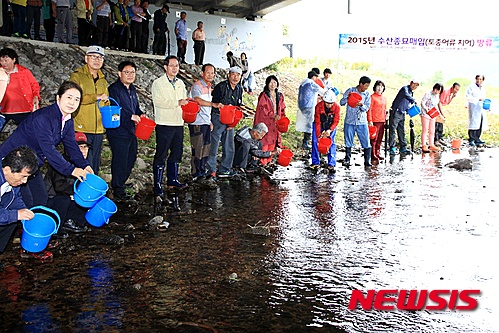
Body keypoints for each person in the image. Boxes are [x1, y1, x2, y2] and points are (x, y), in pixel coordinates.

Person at [0, 81, 93, 209]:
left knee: (40, 199)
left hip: (31, 163)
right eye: (69, 97)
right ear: (58, 98)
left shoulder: (67, 120)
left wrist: (85, 165)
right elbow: (49, 150)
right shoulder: (44, 118)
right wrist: (72, 170)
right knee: (21, 201)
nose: (72, 102)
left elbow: (71, 145)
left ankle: (29, 228)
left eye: (77, 99)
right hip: (12, 163)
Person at [151, 55, 188, 201]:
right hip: (164, 122)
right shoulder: (158, 83)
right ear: (165, 67)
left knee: (177, 153)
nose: (175, 68)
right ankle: (157, 184)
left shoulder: (180, 83)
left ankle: (173, 179)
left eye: (177, 66)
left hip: (178, 122)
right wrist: (177, 102)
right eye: (172, 65)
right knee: (161, 153)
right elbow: (159, 102)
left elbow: (185, 101)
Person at [0, 147, 47, 259]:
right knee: (12, 217)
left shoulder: (12, 180)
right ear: (7, 169)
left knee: (12, 220)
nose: (25, 181)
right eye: (23, 176)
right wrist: (16, 215)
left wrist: (24, 211)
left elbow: (15, 197)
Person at [108, 61, 145, 201]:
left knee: (131, 158)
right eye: (126, 72)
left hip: (131, 130)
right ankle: (117, 189)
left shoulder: (132, 89)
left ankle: (121, 183)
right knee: (120, 160)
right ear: (119, 73)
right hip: (118, 131)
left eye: (132, 72)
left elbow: (135, 107)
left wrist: (140, 114)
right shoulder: (114, 89)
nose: (130, 75)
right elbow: (114, 111)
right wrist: (130, 116)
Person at [69, 45, 109, 174]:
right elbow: (75, 98)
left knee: (95, 162)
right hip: (82, 127)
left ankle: (94, 190)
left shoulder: (103, 79)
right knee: (83, 162)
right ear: (86, 59)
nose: (97, 60)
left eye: (100, 57)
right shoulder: (77, 76)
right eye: (93, 57)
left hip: (98, 128)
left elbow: (106, 102)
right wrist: (95, 97)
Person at [45, 132, 91, 234]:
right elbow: (58, 186)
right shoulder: (60, 163)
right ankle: (57, 226)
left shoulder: (84, 165)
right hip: (52, 199)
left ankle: (74, 221)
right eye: (79, 147)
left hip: (69, 197)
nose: (83, 151)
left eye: (85, 147)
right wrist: (75, 193)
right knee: (66, 200)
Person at [206, 66, 243, 179]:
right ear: (228, 75)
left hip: (230, 120)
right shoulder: (221, 87)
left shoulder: (239, 89)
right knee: (214, 144)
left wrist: (233, 123)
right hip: (218, 117)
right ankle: (211, 170)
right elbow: (213, 103)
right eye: (233, 74)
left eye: (238, 75)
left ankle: (225, 169)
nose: (235, 77)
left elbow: (238, 105)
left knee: (229, 146)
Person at [188, 63, 221, 181]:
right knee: (198, 147)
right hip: (197, 122)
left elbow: (207, 107)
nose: (210, 75)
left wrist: (210, 121)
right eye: (208, 72)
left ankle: (202, 170)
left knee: (206, 147)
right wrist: (213, 104)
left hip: (206, 122)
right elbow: (197, 100)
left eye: (212, 73)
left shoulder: (208, 87)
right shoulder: (197, 86)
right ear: (202, 73)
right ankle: (196, 173)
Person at [0, 47, 40, 129]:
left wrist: (36, 96)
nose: (3, 63)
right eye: (1, 60)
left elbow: (34, 85)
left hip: (23, 108)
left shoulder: (24, 72)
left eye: (6, 60)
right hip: (4, 108)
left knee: (29, 130)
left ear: (14, 60)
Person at [339, 76, 372, 167]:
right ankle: (347, 159)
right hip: (350, 120)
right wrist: (348, 98)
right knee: (348, 140)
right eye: (365, 86)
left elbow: (367, 108)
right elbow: (341, 103)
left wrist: (362, 105)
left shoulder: (367, 94)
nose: (366, 88)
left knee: (366, 140)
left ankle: (367, 161)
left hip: (362, 121)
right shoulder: (351, 90)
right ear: (361, 84)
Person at [254, 75, 286, 165]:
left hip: (275, 122)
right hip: (265, 121)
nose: (273, 85)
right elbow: (262, 109)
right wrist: (272, 115)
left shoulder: (279, 96)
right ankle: (262, 161)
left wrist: (282, 118)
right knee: (264, 140)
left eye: (274, 82)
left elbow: (283, 108)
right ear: (267, 84)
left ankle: (269, 160)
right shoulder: (264, 95)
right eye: (271, 82)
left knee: (273, 140)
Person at [311, 89, 340, 172]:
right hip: (319, 124)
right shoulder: (318, 106)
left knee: (332, 142)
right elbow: (317, 121)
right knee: (315, 141)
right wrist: (319, 134)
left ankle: (331, 163)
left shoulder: (337, 107)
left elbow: (336, 120)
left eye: (331, 103)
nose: (329, 105)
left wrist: (329, 130)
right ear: (324, 101)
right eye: (327, 103)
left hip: (331, 125)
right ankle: (316, 162)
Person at [388, 79, 419, 155]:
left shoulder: (411, 92)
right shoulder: (405, 88)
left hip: (402, 113)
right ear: (411, 83)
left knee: (401, 130)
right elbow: (406, 95)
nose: (414, 86)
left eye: (416, 85)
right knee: (393, 129)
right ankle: (392, 147)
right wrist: (414, 100)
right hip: (396, 111)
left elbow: (406, 102)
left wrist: (409, 109)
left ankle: (403, 147)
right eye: (414, 84)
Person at [296, 70, 325, 149]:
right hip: (309, 106)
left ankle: (305, 141)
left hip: (302, 105)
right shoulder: (311, 83)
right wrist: (329, 94)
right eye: (316, 77)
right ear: (313, 77)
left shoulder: (303, 82)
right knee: (309, 124)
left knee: (306, 123)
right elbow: (321, 91)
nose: (316, 79)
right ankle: (305, 143)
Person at [367, 80, 387, 161]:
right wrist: (370, 120)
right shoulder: (372, 97)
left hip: (382, 120)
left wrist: (386, 118)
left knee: (380, 138)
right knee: (373, 138)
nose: (380, 88)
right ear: (375, 87)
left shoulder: (383, 98)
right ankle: (373, 153)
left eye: (382, 86)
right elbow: (369, 109)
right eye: (378, 86)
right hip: (374, 120)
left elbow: (384, 108)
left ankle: (378, 152)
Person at [420, 83, 444, 153]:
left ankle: (431, 144)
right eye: (437, 90)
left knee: (432, 130)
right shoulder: (428, 94)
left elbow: (436, 105)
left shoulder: (437, 96)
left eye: (439, 91)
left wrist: (439, 113)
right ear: (434, 88)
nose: (437, 92)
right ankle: (424, 145)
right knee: (425, 129)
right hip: (425, 113)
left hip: (432, 113)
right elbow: (422, 103)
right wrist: (426, 108)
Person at [466, 75, 487, 147]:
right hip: (473, 107)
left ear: (482, 80)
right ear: (475, 79)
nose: (479, 81)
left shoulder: (483, 89)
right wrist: (477, 99)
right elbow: (468, 97)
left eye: (480, 79)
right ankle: (471, 138)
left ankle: (477, 138)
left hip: (480, 108)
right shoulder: (471, 88)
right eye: (478, 79)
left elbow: (484, 98)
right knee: (473, 123)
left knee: (480, 122)